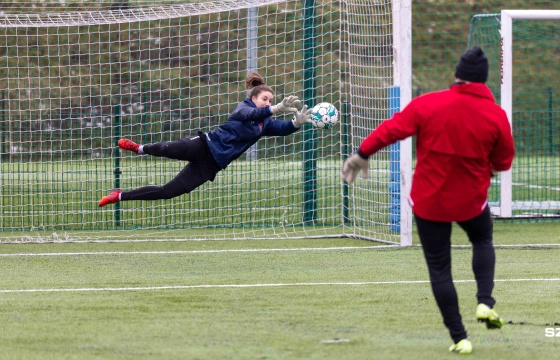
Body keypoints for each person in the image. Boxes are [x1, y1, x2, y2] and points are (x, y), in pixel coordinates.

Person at [341, 46, 515, 355]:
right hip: (470, 200)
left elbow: (392, 129)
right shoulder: (496, 115)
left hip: (429, 201)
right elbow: (503, 163)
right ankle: (485, 302)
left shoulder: (429, 104)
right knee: (482, 238)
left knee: (440, 269)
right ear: (484, 82)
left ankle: (460, 338)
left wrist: (361, 153)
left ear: (457, 76)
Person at [98, 72, 313, 207]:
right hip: (204, 145)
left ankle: (118, 196)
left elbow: (282, 128)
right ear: (253, 98)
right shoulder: (244, 108)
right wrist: (275, 109)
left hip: (212, 165)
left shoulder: (264, 123)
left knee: (168, 192)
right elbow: (249, 116)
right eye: (265, 99)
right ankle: (139, 149)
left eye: (271, 101)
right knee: (167, 149)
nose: (268, 103)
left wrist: (297, 123)